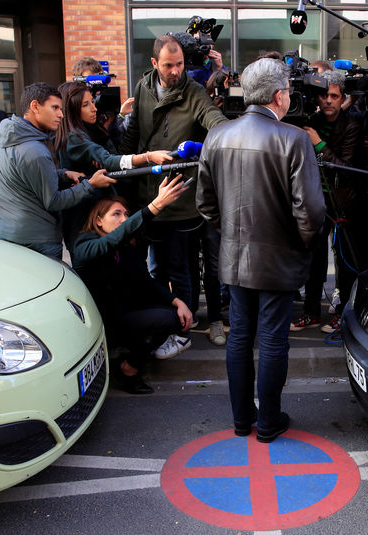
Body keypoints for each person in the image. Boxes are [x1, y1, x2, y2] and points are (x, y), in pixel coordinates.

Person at [196, 58, 326, 443]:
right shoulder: (293, 138)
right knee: (271, 339)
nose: (289, 95)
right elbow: (312, 210)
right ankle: (267, 422)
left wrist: (232, 233)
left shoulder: (217, 135)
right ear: (278, 95)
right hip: (278, 257)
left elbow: (205, 203)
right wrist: (300, 243)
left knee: (240, 336)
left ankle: (242, 420)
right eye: (287, 90)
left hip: (235, 256)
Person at [119, 34, 228, 359]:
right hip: (147, 198)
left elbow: (216, 122)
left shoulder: (193, 91)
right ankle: (162, 326)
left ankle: (184, 331)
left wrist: (211, 142)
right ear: (154, 64)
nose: (176, 70)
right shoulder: (143, 87)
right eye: (169, 65)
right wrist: (121, 175)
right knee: (154, 271)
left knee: (181, 270)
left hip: (180, 200)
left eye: (179, 64)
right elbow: (134, 137)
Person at [74, 177, 192, 394]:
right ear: (99, 221)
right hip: (102, 323)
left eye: (126, 214)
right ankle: (129, 368)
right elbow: (108, 243)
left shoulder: (126, 248)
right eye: (116, 214)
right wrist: (155, 206)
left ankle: (130, 357)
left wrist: (178, 301)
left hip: (126, 314)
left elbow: (146, 282)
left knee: (173, 312)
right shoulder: (85, 244)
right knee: (167, 318)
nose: (123, 219)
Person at [0, 82, 115, 259]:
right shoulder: (36, 152)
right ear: (35, 106)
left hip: (7, 233)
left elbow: (23, 177)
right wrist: (90, 184)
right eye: (55, 108)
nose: (61, 114)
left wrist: (63, 174)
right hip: (38, 240)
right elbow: (54, 201)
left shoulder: (5, 139)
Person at [55, 81, 171, 259]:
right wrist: (148, 157)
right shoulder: (73, 137)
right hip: (83, 215)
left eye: (93, 102)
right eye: (86, 105)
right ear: (72, 110)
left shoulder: (87, 130)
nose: (94, 108)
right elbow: (109, 160)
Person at [293, 69, 361, 334]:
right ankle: (311, 312)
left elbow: (345, 167)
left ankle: (343, 313)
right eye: (324, 96)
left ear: (342, 98)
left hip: (342, 201)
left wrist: (318, 143)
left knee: (344, 262)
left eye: (334, 96)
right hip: (312, 199)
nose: (328, 101)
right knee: (313, 259)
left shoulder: (352, 125)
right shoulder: (308, 121)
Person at [185, 16, 229, 87]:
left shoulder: (215, 65)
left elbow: (229, 89)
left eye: (209, 38)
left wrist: (220, 68)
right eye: (201, 39)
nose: (207, 43)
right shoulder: (182, 63)